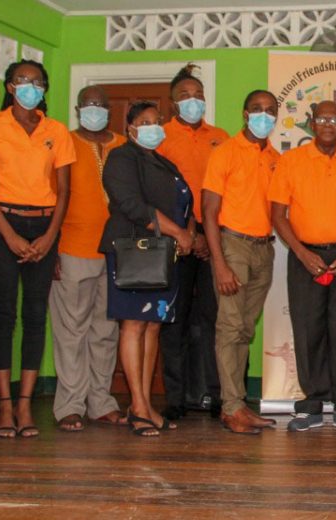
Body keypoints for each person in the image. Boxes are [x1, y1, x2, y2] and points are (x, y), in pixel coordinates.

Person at [0, 60, 75, 439]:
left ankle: (26, 405)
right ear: (10, 87)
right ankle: (3, 406)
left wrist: (49, 237)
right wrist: (10, 236)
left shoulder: (56, 130)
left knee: (34, 316)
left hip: (45, 226)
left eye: (38, 82)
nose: (31, 87)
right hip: (2, 225)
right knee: (3, 314)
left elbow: (64, 191)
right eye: (23, 81)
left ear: (45, 88)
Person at [269, 101, 336, 433]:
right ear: (312, 124)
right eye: (322, 118)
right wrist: (301, 253)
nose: (329, 123)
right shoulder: (290, 161)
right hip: (305, 258)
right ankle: (311, 405)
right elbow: (277, 215)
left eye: (335, 119)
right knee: (308, 330)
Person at [100, 102, 196, 437]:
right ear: (129, 128)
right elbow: (131, 204)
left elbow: (185, 202)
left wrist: (190, 230)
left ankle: (144, 405)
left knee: (152, 326)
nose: (153, 127)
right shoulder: (121, 158)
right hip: (134, 250)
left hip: (163, 254)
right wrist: (177, 231)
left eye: (157, 122)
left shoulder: (163, 162)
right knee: (134, 324)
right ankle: (138, 406)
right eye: (144, 122)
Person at [201, 90, 283, 435]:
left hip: (264, 249)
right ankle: (231, 407)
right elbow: (208, 210)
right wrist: (219, 263)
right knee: (230, 327)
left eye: (270, 111)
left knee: (245, 330)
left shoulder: (276, 157)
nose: (264, 116)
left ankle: (237, 404)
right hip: (232, 245)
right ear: (244, 114)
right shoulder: (225, 152)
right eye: (257, 110)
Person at [48, 86, 126, 432]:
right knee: (70, 332)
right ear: (78, 109)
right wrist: (51, 249)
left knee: (106, 332)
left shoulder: (124, 145)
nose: (95, 110)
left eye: (101, 105)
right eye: (88, 105)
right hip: (72, 249)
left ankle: (101, 402)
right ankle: (69, 405)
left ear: (110, 110)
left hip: (116, 253)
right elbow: (50, 197)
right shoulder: (62, 142)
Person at [155, 64, 229, 420]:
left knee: (216, 318)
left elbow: (230, 188)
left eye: (198, 96)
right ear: (172, 104)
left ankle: (218, 396)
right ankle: (176, 397)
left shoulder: (221, 137)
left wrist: (206, 235)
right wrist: (188, 232)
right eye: (185, 97)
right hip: (174, 237)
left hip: (214, 235)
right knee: (174, 319)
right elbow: (158, 191)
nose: (193, 102)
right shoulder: (161, 137)